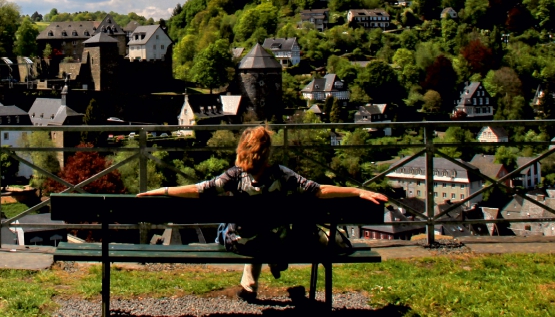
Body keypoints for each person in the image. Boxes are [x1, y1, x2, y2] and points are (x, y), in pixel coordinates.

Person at [138, 125, 387, 300]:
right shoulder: (282, 174)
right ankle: (265, 269)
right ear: (266, 152)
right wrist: (355, 191)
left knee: (236, 228)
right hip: (276, 239)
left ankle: (249, 286)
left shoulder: (233, 177)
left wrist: (164, 190)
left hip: (241, 242)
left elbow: (199, 190)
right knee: (265, 230)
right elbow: (319, 191)